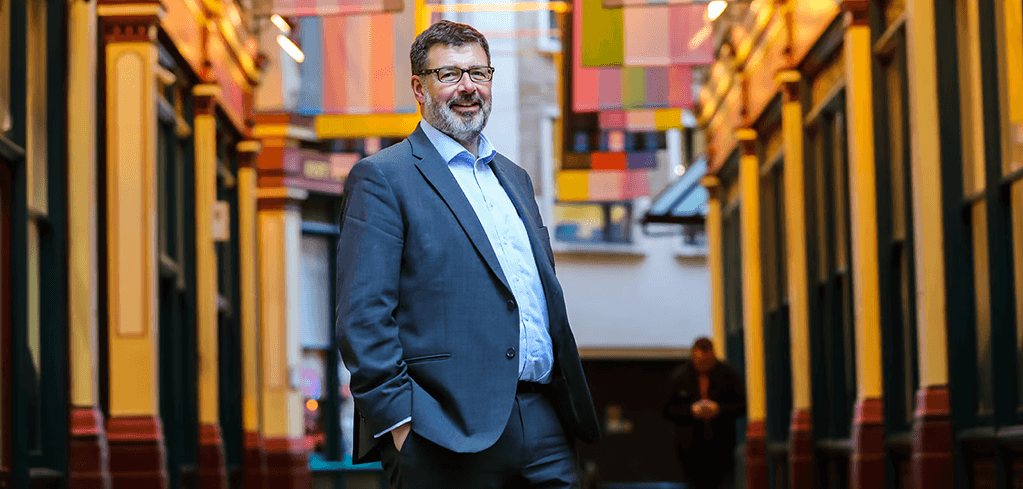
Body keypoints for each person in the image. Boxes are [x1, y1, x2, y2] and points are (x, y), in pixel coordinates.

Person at [336, 20, 601, 488]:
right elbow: (363, 316)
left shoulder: (515, 178)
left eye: (479, 74)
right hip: (442, 435)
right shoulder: (383, 178)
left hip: (544, 422)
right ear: (419, 88)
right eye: (450, 75)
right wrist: (400, 426)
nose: (468, 89)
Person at [663, 337, 746, 489]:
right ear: (694, 357)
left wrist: (718, 410)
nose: (704, 366)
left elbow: (741, 405)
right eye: (700, 361)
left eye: (708, 361)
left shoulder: (727, 375)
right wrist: (691, 412)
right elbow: (667, 410)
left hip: (721, 446)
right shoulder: (680, 377)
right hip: (690, 447)